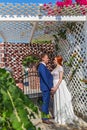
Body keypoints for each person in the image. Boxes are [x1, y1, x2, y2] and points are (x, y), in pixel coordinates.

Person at [51, 55, 78, 125]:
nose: (53, 61)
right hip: (54, 84)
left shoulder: (60, 68)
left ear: (58, 60)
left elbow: (60, 78)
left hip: (59, 86)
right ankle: (57, 115)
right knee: (57, 100)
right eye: (54, 60)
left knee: (61, 99)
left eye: (54, 60)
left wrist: (56, 87)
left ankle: (63, 116)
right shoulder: (55, 68)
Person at [38, 53, 53, 124]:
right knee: (45, 103)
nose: (48, 59)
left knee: (46, 103)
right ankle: (44, 118)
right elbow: (45, 78)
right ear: (43, 58)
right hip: (46, 87)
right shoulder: (41, 67)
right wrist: (51, 87)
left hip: (46, 87)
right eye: (47, 58)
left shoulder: (43, 66)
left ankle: (46, 116)